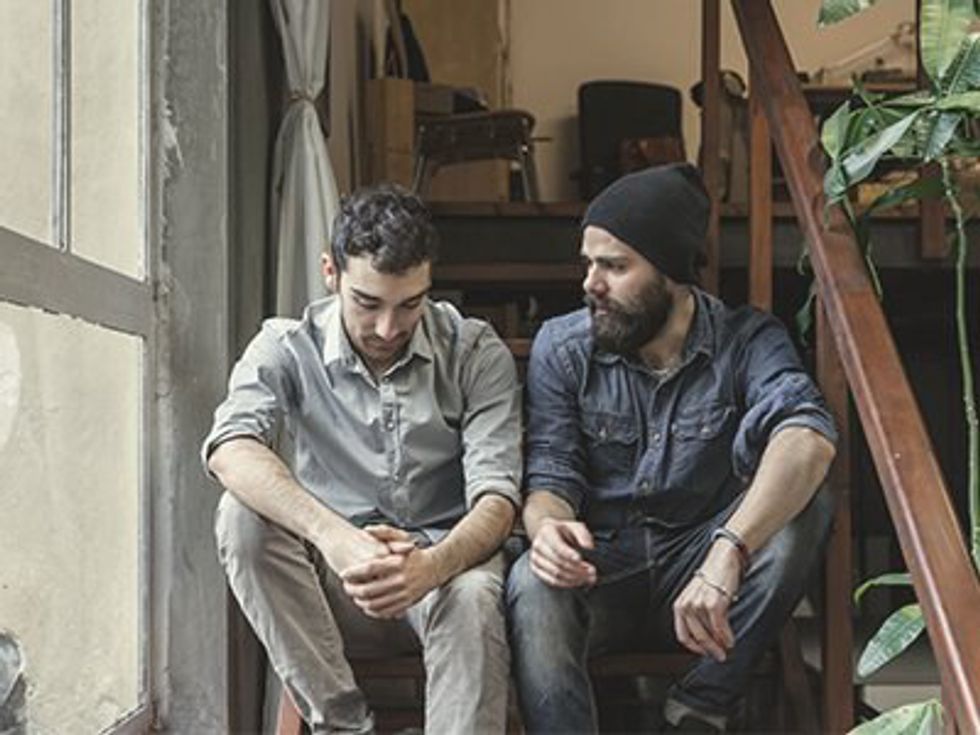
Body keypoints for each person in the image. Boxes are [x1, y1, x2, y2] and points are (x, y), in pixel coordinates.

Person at [506, 163, 837, 733]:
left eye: (614, 266)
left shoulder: (747, 341)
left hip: (704, 574)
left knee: (809, 504)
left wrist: (728, 551)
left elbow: (807, 438)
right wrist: (547, 529)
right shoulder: (563, 347)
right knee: (532, 583)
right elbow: (551, 475)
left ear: (674, 273)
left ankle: (699, 709)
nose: (591, 284)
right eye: (589, 263)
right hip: (600, 573)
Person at [204, 184, 521, 733]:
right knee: (240, 518)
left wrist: (431, 566)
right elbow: (230, 449)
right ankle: (343, 727)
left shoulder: (474, 350)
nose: (388, 329)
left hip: (445, 573)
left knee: (473, 597)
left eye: (410, 305)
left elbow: (498, 500)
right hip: (333, 582)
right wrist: (335, 537)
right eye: (368, 303)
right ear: (331, 272)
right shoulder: (287, 345)